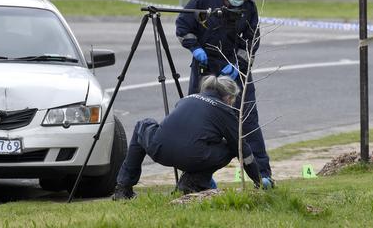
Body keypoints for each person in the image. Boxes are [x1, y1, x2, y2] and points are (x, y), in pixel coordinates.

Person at [175, 0, 274, 187]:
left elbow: (251, 40)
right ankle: (196, 179)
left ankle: (263, 175)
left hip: (234, 68)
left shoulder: (248, 7)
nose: (242, 2)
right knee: (199, 122)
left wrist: (238, 65)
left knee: (247, 119)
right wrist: (194, 48)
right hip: (205, 66)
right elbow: (183, 26)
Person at [112, 75, 262, 200]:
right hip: (193, 157)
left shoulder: (188, 98)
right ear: (229, 97)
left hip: (160, 150)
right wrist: (258, 180)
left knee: (142, 125)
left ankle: (123, 188)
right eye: (233, 100)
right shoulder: (224, 110)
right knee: (231, 147)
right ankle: (191, 183)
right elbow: (242, 148)